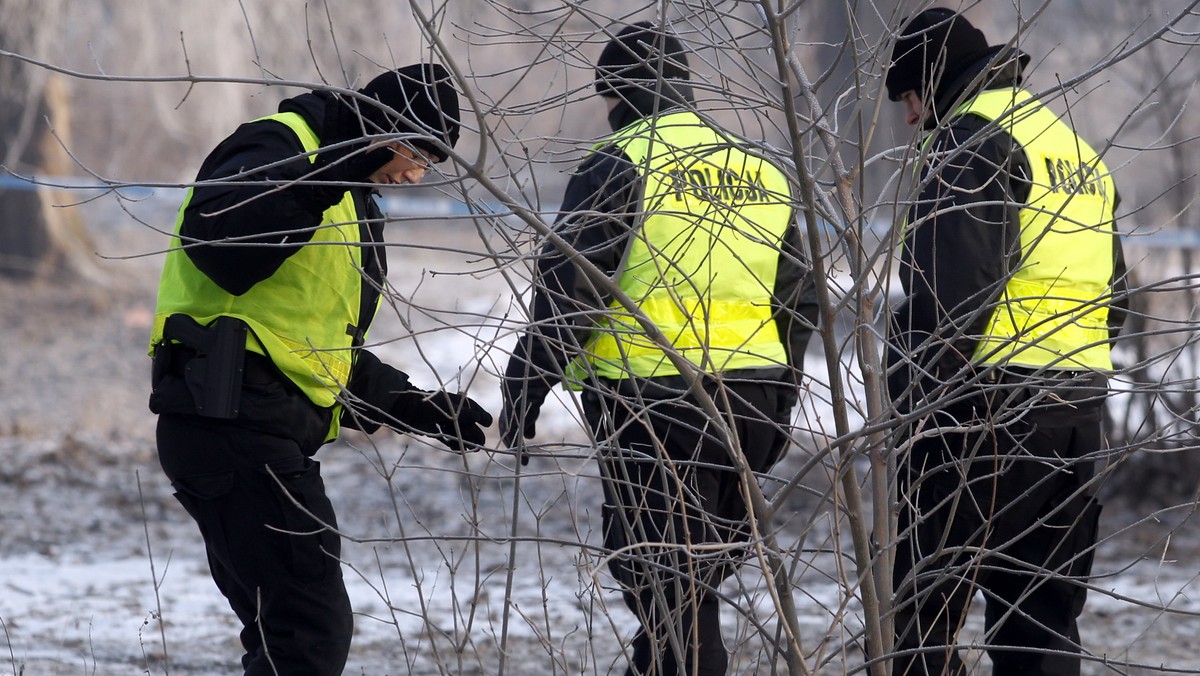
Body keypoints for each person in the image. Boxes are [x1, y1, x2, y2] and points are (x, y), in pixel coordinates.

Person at [147, 63, 493, 675]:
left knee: (285, 636)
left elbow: (319, 346)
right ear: (382, 131)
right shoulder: (274, 145)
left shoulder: (351, 197)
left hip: (253, 429)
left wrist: (415, 406)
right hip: (228, 424)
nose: (414, 174)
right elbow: (223, 247)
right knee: (311, 631)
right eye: (416, 154)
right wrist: (337, 171)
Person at [500, 22, 819, 676]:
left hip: (652, 407)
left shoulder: (621, 160)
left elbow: (571, 287)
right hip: (749, 404)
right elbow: (800, 300)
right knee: (691, 582)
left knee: (670, 587)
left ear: (616, 95)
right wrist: (780, 400)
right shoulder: (757, 166)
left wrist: (524, 389)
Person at [883, 8, 1127, 675]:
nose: (910, 119)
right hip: (1077, 414)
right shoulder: (1076, 153)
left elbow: (947, 305)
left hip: (983, 415)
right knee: (1042, 625)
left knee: (924, 613)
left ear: (932, 84)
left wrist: (908, 409)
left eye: (909, 98)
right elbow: (1118, 304)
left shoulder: (973, 145)